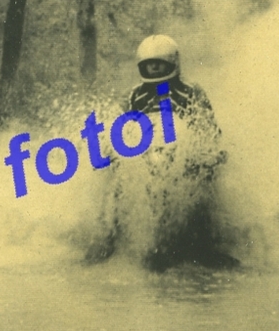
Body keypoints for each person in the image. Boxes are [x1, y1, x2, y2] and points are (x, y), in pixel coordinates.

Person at [86, 35, 234, 270]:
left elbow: (207, 126)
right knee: (116, 182)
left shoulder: (191, 91)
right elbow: (117, 124)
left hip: (185, 155)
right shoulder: (134, 95)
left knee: (203, 182)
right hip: (144, 154)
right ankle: (106, 239)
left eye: (159, 63)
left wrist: (208, 153)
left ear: (173, 63)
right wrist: (109, 149)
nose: (154, 68)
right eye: (149, 64)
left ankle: (208, 244)